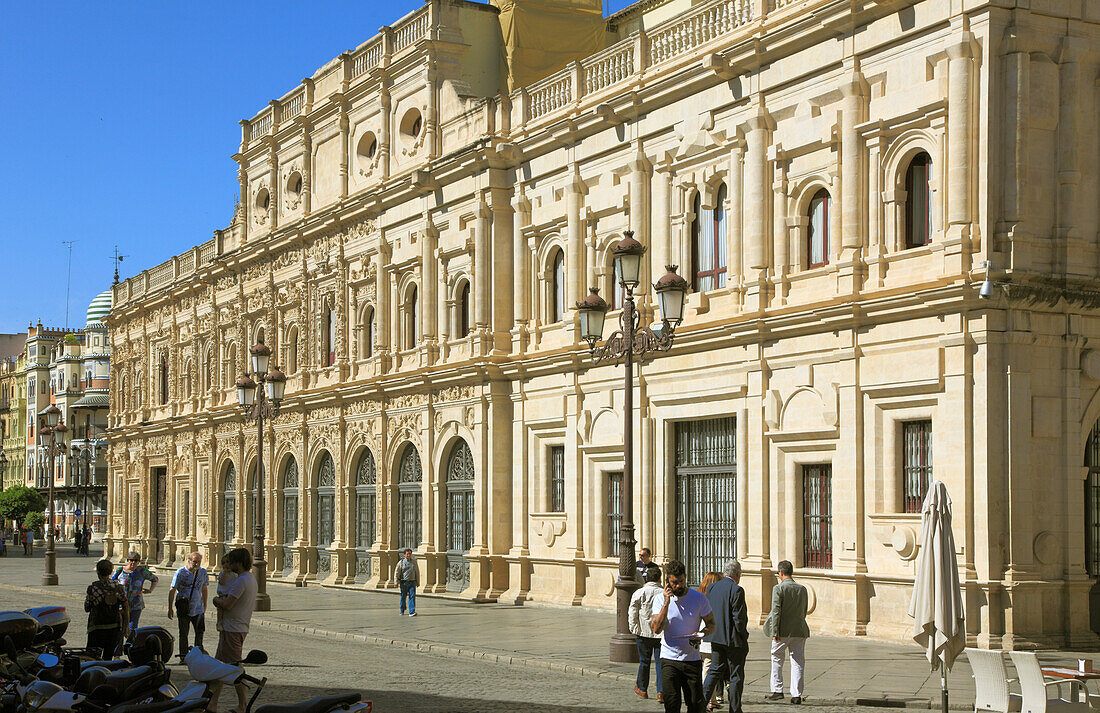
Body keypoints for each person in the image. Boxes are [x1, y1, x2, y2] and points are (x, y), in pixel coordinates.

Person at [651, 560, 715, 713]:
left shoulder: (699, 599)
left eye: (681, 581)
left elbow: (712, 625)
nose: (678, 585)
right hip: (669, 659)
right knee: (671, 704)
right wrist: (666, 603)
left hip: (691, 658)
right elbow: (656, 629)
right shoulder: (660, 599)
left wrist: (701, 634)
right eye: (674, 582)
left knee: (695, 704)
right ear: (668, 581)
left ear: (685, 577)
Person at [211, 547, 258, 713]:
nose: (229, 565)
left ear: (239, 562)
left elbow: (228, 604)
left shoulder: (241, 581)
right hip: (238, 627)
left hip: (232, 628)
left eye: (232, 562)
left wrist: (216, 600)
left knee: (233, 668)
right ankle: (213, 703)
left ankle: (242, 705)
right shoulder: (250, 579)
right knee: (221, 667)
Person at [701, 561, 749, 713]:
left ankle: (700, 704)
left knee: (714, 670)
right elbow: (739, 618)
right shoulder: (737, 590)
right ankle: (735, 709)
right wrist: (743, 636)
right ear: (737, 574)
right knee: (735, 675)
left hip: (716, 637)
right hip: (732, 639)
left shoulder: (713, 587)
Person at [764, 560, 810, 705]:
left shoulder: (778, 589)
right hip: (799, 629)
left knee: (777, 658)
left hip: (782, 631)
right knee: (797, 661)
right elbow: (804, 610)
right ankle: (796, 694)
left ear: (781, 573)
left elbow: (776, 611)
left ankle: (777, 689)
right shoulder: (802, 589)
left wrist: (775, 630)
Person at [629, 566, 664, 701]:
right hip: (660, 633)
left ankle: (642, 689)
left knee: (644, 661)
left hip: (643, 632)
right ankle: (661, 691)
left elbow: (633, 610)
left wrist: (633, 627)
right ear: (659, 578)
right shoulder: (663, 592)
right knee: (660, 662)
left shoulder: (640, 592)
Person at [85, 558, 129, 660]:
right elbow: (126, 606)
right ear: (110, 572)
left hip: (96, 627)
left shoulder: (93, 588)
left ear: (98, 572)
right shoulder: (119, 587)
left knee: (92, 657)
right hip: (114, 626)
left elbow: (87, 607)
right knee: (108, 656)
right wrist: (126, 626)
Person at [168, 551, 209, 660]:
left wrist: (205, 604)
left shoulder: (203, 572)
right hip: (184, 608)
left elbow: (204, 589)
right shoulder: (180, 573)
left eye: (199, 562)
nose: (197, 564)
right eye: (195, 562)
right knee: (183, 633)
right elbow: (172, 589)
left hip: (198, 608)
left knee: (199, 632)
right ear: (189, 561)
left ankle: (198, 655)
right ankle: (183, 656)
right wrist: (170, 607)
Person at [112, 551, 158, 642]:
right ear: (128, 560)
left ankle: (130, 649)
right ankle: (117, 653)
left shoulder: (142, 571)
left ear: (138, 562)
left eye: (136, 561)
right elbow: (112, 583)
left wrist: (150, 590)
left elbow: (155, 579)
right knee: (120, 629)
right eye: (131, 560)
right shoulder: (120, 570)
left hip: (136, 604)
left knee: (132, 628)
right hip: (121, 604)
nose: (133, 563)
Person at [696, 572, 724, 710]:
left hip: (700, 636)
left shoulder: (699, 597)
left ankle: (712, 699)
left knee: (709, 668)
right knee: (708, 669)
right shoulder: (712, 598)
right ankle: (707, 700)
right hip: (708, 637)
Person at [394, 548, 418, 616]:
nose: (409, 555)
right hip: (404, 582)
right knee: (403, 597)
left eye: (410, 554)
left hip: (412, 582)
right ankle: (402, 610)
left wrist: (418, 582)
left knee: (412, 597)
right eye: (407, 554)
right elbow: (397, 572)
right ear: (404, 555)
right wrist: (396, 582)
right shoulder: (401, 562)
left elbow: (417, 572)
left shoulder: (414, 562)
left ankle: (412, 611)